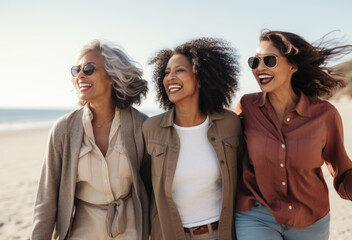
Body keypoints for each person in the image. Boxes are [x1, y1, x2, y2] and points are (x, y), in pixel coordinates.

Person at [235, 30, 352, 240]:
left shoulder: (324, 115)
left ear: (293, 66)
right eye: (255, 62)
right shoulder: (247, 107)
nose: (259, 68)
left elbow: (342, 170)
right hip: (257, 216)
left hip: (310, 218)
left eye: (269, 60)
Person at [31, 39, 150, 240]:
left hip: (131, 231)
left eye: (88, 68)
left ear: (112, 75)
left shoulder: (142, 125)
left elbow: (154, 188)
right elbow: (46, 197)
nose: (80, 75)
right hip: (83, 231)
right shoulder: (63, 129)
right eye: (76, 70)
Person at [143, 38, 244, 240]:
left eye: (179, 70)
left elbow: (242, 175)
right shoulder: (151, 129)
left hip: (220, 233)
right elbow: (146, 186)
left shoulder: (229, 123)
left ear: (200, 79)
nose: (170, 77)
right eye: (166, 72)